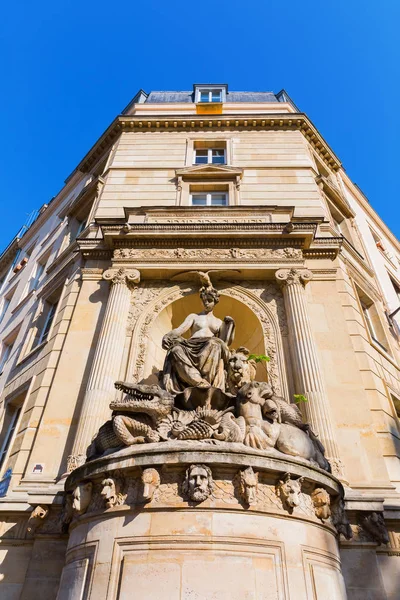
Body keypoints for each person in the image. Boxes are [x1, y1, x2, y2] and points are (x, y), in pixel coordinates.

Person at [162, 286, 235, 395]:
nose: (206, 303)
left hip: (209, 346)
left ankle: (207, 380)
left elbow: (225, 342)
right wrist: (168, 335)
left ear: (215, 302)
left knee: (215, 344)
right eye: (204, 301)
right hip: (190, 345)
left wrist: (231, 326)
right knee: (175, 350)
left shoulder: (219, 322)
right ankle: (197, 380)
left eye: (209, 301)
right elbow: (180, 330)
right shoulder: (194, 316)